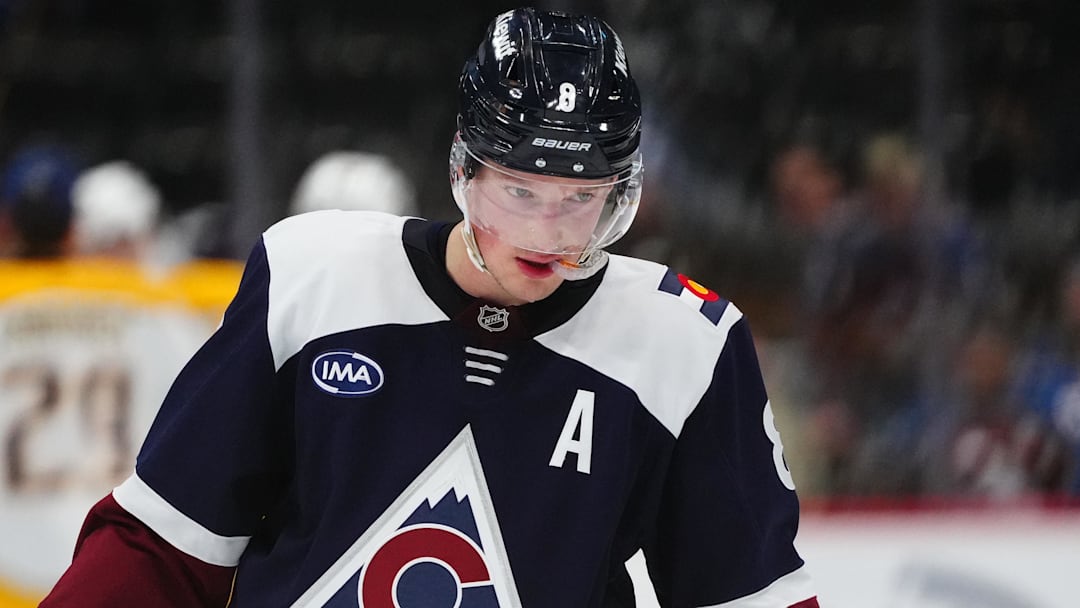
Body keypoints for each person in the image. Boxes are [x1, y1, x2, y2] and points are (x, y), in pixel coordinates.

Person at [41, 8, 819, 607]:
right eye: (520, 191)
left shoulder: (685, 344)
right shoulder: (312, 276)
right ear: (465, 166)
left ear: (620, 194)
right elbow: (163, 546)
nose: (548, 232)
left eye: (580, 198)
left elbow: (750, 595)